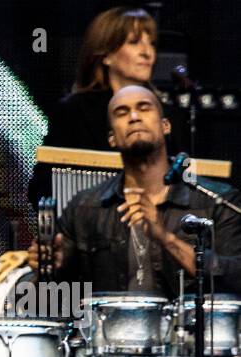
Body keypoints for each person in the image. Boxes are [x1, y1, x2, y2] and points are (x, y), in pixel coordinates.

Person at [28, 85, 241, 295]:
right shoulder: (84, 208)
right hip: (108, 328)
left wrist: (165, 238)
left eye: (144, 108)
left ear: (165, 125)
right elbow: (52, 301)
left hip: (190, 329)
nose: (134, 116)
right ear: (112, 138)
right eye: (122, 112)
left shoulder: (216, 201)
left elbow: (234, 278)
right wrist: (46, 270)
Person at [28, 5, 186, 207]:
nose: (148, 52)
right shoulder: (73, 112)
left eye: (152, 43)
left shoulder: (170, 115)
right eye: (134, 42)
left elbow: (187, 185)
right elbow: (43, 186)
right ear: (107, 55)